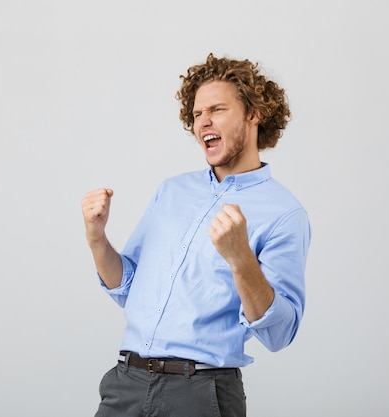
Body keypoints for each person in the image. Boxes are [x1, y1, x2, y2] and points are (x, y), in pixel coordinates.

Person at [81, 53, 312, 417]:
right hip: (126, 383)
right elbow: (128, 288)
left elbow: (279, 333)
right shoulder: (171, 191)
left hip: (200, 394)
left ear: (254, 115)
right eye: (196, 114)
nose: (202, 123)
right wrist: (97, 237)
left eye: (216, 110)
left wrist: (241, 260)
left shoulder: (284, 214)